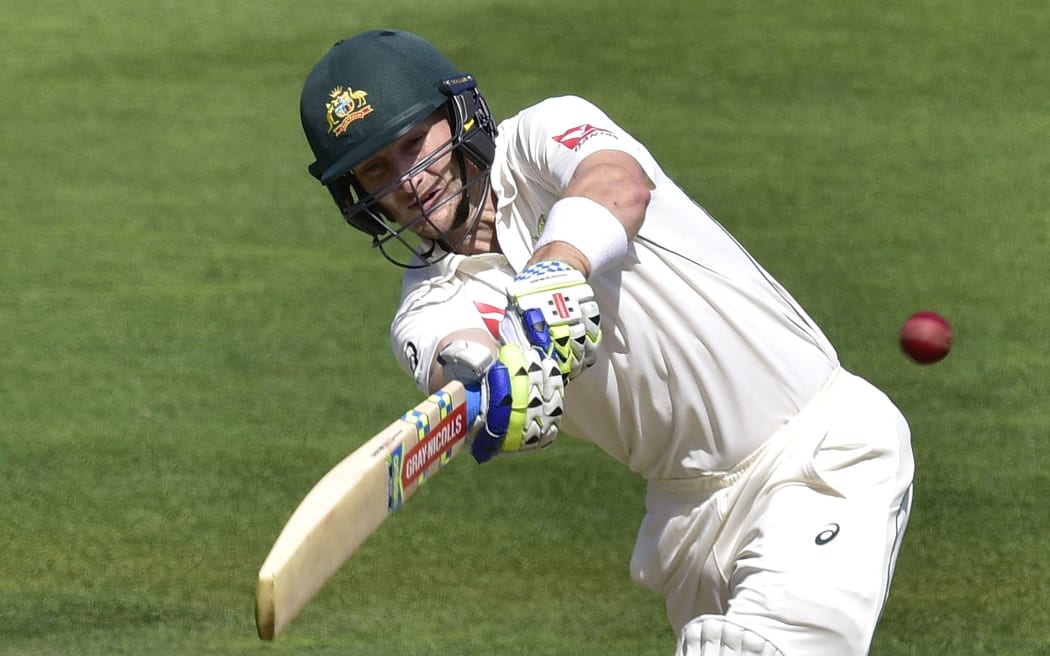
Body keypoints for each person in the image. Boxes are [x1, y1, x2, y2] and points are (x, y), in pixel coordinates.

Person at [298, 29, 914, 656]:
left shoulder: (542, 136)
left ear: (456, 119)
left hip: (817, 449)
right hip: (688, 526)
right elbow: (453, 359)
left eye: (413, 144)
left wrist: (557, 269)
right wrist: (497, 387)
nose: (408, 179)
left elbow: (619, 185)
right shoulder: (425, 306)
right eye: (376, 167)